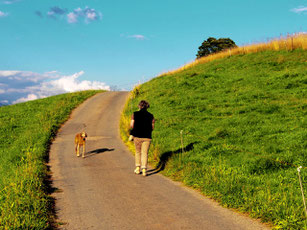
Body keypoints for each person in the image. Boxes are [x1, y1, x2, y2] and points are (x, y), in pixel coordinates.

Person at [130, 100, 155, 176]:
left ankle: (138, 168)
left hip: (137, 136)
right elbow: (152, 127)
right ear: (147, 107)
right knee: (145, 153)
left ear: (139, 106)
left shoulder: (134, 114)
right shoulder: (151, 116)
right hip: (147, 136)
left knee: (138, 152)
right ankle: (144, 170)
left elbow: (131, 125)